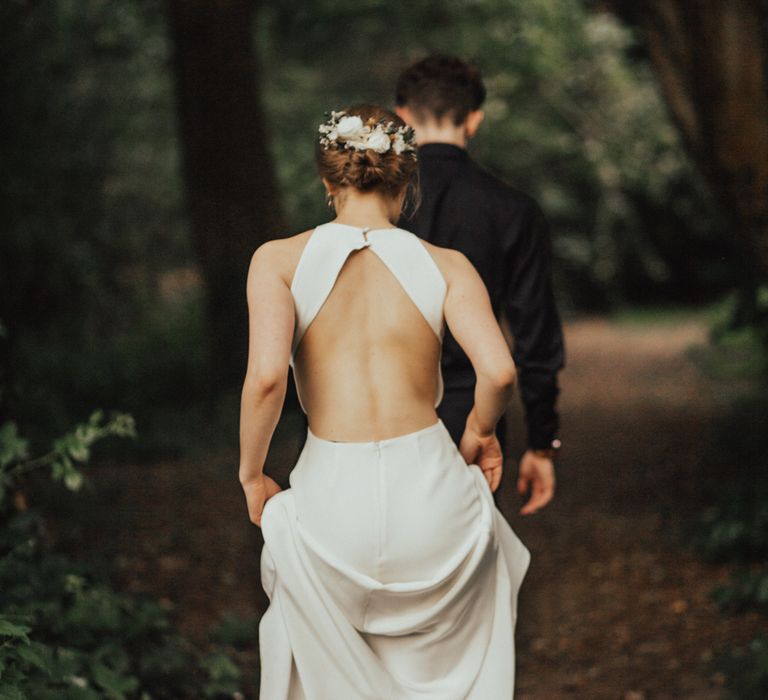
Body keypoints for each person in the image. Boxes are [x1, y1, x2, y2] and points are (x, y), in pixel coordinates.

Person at [239, 104, 531, 698]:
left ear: (328, 182)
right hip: (431, 497)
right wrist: (480, 432)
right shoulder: (447, 265)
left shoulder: (278, 261)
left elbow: (267, 378)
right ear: (406, 183)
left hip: (332, 504)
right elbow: (498, 370)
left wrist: (251, 474)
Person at [395, 55, 564, 515]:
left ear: (404, 116)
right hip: (471, 416)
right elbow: (535, 335)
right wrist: (542, 442)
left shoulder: (371, 206)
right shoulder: (514, 209)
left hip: (375, 414)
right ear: (474, 119)